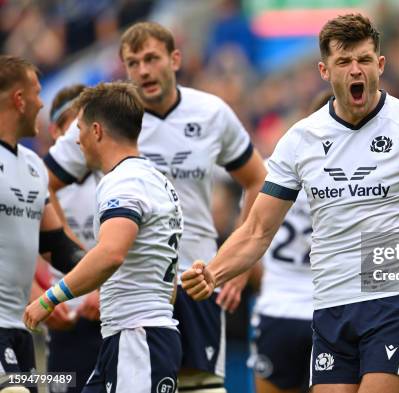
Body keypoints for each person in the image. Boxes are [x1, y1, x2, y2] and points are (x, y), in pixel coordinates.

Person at [182, 14, 399, 393]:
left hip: (393, 300)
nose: (357, 71)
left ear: (380, 65)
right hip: (330, 303)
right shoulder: (301, 140)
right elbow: (257, 230)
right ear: (324, 70)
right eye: (344, 62)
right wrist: (214, 272)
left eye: (365, 60)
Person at [43, 22, 267, 392]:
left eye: (151, 58)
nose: (143, 70)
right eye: (133, 63)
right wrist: (81, 264)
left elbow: (257, 179)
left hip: (198, 278)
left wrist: (242, 264)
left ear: (175, 59)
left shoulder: (211, 112)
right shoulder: (105, 120)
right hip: (130, 292)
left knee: (202, 387)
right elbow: (42, 184)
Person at [23, 82, 184, 393]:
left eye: (79, 131)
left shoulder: (123, 181)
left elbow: (111, 253)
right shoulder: (156, 180)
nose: (77, 142)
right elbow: (170, 285)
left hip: (137, 338)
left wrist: (49, 298)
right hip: (133, 335)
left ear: (96, 131)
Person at [0, 55, 84, 393]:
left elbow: (57, 246)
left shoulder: (34, 166)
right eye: (36, 93)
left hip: (20, 329)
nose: (41, 102)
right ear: (19, 100)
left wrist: (110, 266)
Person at [248, 92, 332, 393]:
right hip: (331, 311)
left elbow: (249, 237)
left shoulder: (271, 168)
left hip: (277, 308)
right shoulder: (359, 176)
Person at [44, 84, 103, 393]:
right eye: (73, 124)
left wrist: (104, 290)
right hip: (62, 322)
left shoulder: (113, 178)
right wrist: (41, 297)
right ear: (56, 130)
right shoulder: (36, 182)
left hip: (109, 317)